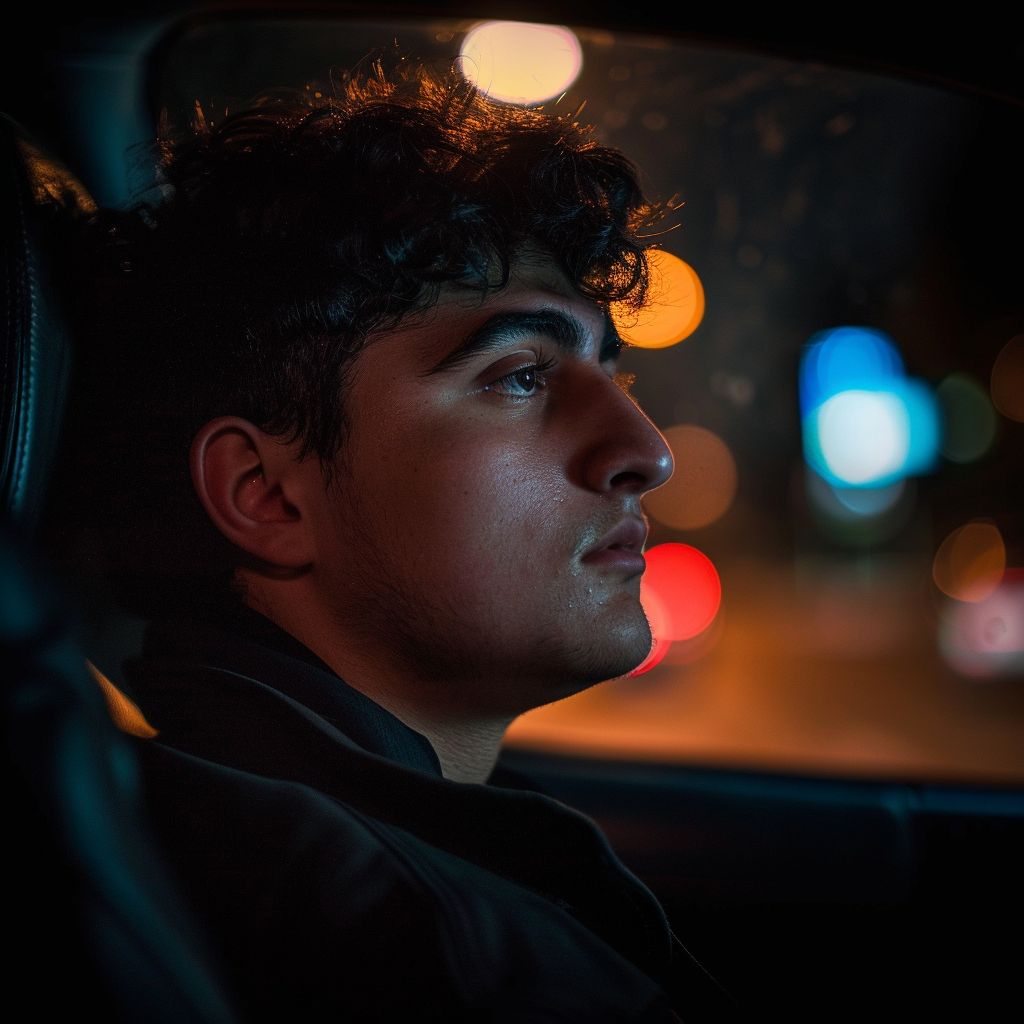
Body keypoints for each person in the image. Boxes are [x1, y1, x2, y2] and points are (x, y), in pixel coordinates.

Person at [71, 52, 736, 1022]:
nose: (643, 453)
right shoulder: (427, 957)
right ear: (267, 493)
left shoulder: (315, 843)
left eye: (612, 375)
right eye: (519, 375)